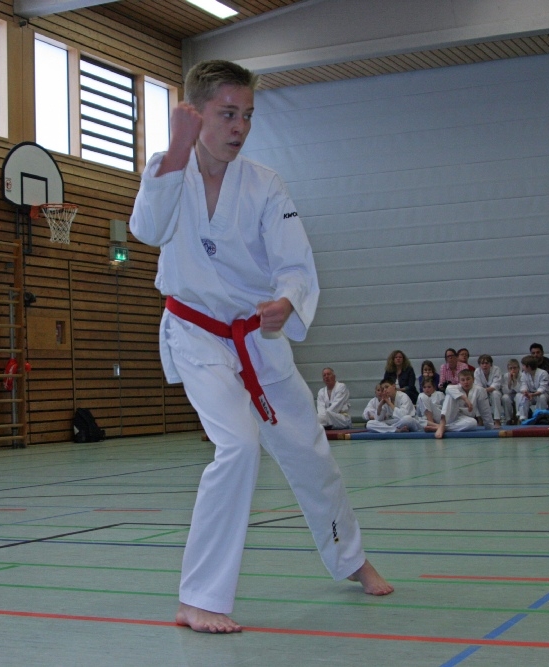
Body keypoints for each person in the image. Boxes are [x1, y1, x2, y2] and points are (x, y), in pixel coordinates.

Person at [128, 60, 392, 633]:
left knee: (311, 452)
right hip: (197, 334)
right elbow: (146, 230)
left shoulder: (265, 183)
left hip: (258, 337)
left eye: (247, 115)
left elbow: (295, 262)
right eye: (228, 114)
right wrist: (176, 150)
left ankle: (350, 558)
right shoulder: (169, 170)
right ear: (195, 115)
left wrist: (288, 302)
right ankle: (198, 598)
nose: (240, 127)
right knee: (238, 446)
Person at [432, 369, 494, 438]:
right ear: (459, 381)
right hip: (449, 416)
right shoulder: (454, 388)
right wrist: (465, 399)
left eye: (468, 379)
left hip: (464, 419)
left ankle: (442, 427)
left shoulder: (480, 390)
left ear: (473, 379)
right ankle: (442, 423)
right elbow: (448, 388)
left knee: (473, 423)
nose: (466, 382)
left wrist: (490, 427)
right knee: (450, 395)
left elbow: (485, 410)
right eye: (463, 380)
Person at [474, 354, 504, 427]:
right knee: (476, 394)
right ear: (479, 365)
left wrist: (484, 390)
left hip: (495, 392)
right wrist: (483, 391)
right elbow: (478, 386)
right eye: (482, 363)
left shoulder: (496, 369)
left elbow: (496, 385)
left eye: (486, 363)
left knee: (495, 394)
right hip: (483, 392)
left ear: (491, 364)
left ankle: (497, 420)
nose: (484, 365)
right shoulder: (477, 371)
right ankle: (480, 420)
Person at [517, 355, 549, 420]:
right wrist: (525, 392)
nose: (522, 367)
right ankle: (523, 417)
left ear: (528, 367)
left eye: (523, 365)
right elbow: (523, 384)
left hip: (544, 394)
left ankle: (540, 417)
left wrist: (533, 394)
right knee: (522, 396)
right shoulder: (524, 374)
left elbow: (543, 388)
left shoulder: (543, 373)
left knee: (541, 397)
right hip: (530, 394)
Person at [500, 358, 521, 425]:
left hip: (519, 394)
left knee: (518, 396)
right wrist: (509, 382)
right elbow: (505, 391)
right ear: (508, 369)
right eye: (510, 368)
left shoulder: (522, 375)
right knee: (505, 397)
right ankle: (508, 419)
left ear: (518, 368)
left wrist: (514, 381)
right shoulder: (505, 376)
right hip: (510, 394)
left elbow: (520, 390)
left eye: (515, 368)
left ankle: (519, 418)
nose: (513, 370)